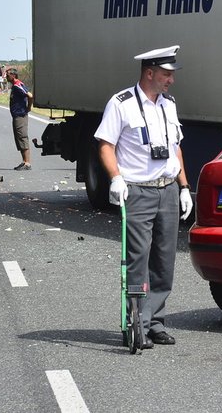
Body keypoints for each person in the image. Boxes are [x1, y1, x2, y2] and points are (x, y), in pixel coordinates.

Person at [95, 46, 192, 347]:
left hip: (168, 190)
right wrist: (116, 179)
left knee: (164, 260)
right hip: (138, 191)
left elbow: (175, 147)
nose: (170, 80)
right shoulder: (121, 103)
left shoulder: (169, 105)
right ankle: (134, 323)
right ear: (149, 73)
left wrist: (185, 187)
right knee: (137, 260)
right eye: (166, 74)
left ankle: (155, 322)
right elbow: (105, 144)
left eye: (172, 75)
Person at [6, 67, 34, 170]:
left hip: (20, 115)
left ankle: (27, 163)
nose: (6, 77)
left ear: (13, 75)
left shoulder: (18, 85)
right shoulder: (14, 86)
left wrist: (28, 107)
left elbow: (30, 96)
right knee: (18, 138)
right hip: (16, 115)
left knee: (22, 137)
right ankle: (24, 161)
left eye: (8, 75)